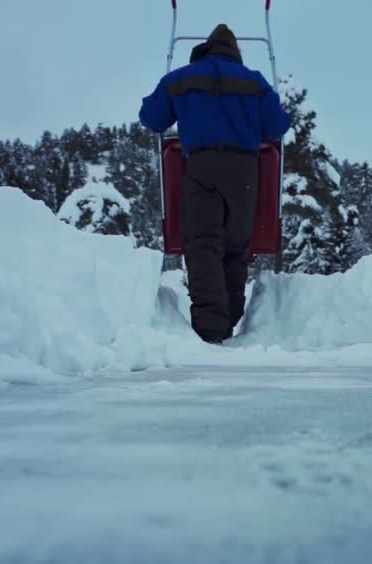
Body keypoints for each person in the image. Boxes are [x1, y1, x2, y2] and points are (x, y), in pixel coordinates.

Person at [139, 24, 291, 343]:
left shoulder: (181, 79)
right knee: (236, 246)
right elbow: (277, 126)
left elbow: (152, 118)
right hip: (244, 171)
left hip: (201, 167)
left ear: (205, 49)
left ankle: (210, 330)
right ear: (236, 52)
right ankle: (229, 322)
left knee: (202, 245)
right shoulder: (255, 82)